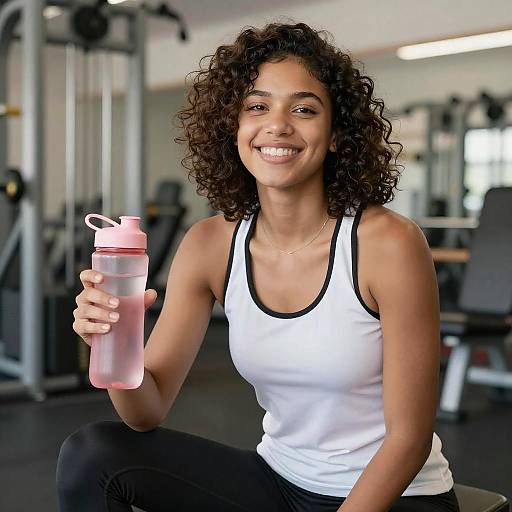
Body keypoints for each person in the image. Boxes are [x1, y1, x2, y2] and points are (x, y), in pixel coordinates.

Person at [56, 21, 460, 512]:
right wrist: (114, 344)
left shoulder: (388, 244)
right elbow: (146, 411)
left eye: (305, 109)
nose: (278, 125)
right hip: (279, 481)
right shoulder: (209, 245)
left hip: (395, 495)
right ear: (235, 127)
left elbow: (410, 439)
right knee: (94, 454)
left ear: (335, 135)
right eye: (257, 106)